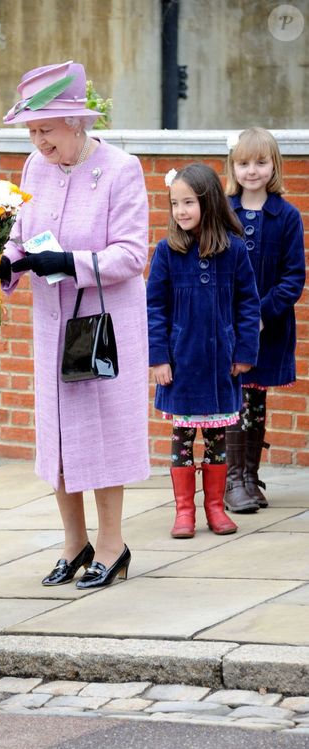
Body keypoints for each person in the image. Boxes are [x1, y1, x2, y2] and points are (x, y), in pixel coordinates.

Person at [0, 61, 150, 589]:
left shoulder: (122, 169)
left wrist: (71, 264)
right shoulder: (34, 169)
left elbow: (132, 254)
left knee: (102, 432)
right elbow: (24, 236)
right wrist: (4, 262)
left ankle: (112, 544)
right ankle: (74, 543)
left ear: (76, 123)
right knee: (56, 433)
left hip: (101, 326)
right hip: (52, 324)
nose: (37, 141)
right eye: (31, 131)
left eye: (45, 130)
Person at [147, 163, 261, 539]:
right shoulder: (166, 252)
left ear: (208, 202)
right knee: (182, 439)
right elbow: (154, 308)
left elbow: (248, 304)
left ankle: (215, 507)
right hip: (180, 365)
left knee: (216, 440)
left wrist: (244, 350)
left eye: (188, 203)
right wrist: (159, 357)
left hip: (221, 366)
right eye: (175, 203)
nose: (181, 211)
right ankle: (184, 511)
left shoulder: (235, 251)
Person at [224, 128, 306, 512]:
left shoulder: (286, 216)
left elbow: (294, 277)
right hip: (229, 326)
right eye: (243, 163)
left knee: (256, 397)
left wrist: (261, 314)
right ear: (233, 166)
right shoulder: (224, 212)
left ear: (274, 165)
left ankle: (249, 476)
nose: (251, 171)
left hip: (268, 329)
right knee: (235, 396)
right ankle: (232, 480)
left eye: (260, 162)